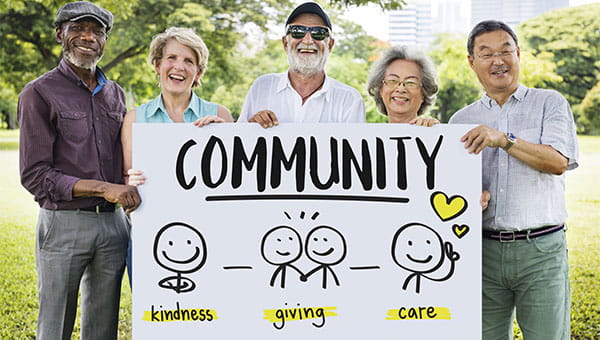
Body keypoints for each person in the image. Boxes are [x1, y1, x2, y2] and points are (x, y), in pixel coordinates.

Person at [17, 1, 141, 339]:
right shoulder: (39, 92)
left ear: (105, 40)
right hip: (63, 225)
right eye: (78, 28)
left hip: (114, 226)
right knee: (55, 325)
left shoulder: (115, 94)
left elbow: (130, 156)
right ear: (60, 34)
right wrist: (103, 188)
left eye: (97, 30)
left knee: (103, 328)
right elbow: (35, 175)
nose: (88, 36)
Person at [449, 20, 579, 339]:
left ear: (518, 54)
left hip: (541, 251)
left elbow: (558, 162)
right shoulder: (460, 121)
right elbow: (450, 188)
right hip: (482, 252)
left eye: (506, 50)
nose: (498, 60)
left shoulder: (550, 103)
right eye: (486, 53)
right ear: (472, 62)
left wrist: (504, 139)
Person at [121, 27, 233, 284]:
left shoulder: (220, 115)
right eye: (171, 58)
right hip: (151, 235)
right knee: (156, 315)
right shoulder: (135, 119)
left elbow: (232, 187)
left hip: (210, 235)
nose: (179, 67)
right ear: (158, 65)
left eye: (189, 61)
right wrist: (132, 182)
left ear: (199, 73)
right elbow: (126, 186)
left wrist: (223, 137)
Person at [238, 2, 365, 127]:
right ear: (285, 43)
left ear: (330, 45)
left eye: (318, 33)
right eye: (297, 31)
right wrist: (252, 127)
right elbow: (237, 141)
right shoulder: (262, 87)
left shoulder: (349, 100)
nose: (308, 40)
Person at [367, 45, 440, 126]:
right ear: (380, 89)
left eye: (410, 82)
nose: (401, 89)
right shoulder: (366, 136)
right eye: (392, 81)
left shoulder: (434, 132)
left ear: (424, 93)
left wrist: (435, 129)